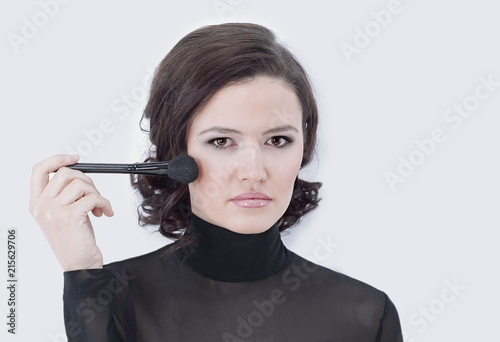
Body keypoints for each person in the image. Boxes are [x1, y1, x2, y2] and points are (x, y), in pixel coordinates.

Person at [29, 23, 403, 341]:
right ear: (176, 153)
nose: (254, 171)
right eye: (222, 141)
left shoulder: (366, 316)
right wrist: (82, 272)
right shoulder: (110, 296)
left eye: (277, 140)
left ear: (303, 148)